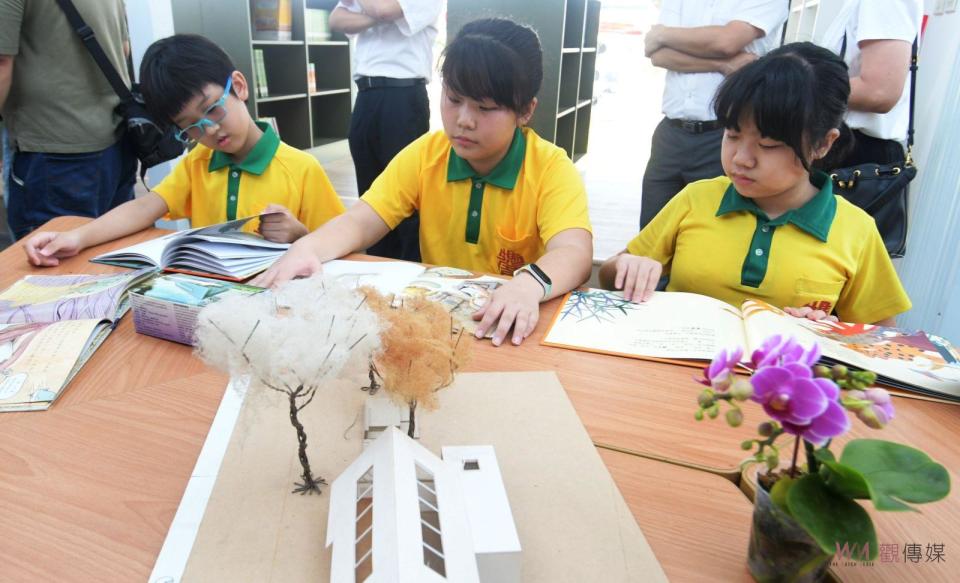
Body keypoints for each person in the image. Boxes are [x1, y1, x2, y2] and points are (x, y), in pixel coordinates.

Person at [254, 19, 594, 347]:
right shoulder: (427, 154)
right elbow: (361, 221)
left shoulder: (550, 168)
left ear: (525, 111)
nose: (464, 121)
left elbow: (575, 253)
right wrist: (308, 248)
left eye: (485, 107)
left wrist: (528, 285)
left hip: (513, 329)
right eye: (453, 99)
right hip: (437, 326)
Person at [599, 42, 911, 326]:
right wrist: (629, 267)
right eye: (732, 135)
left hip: (776, 386)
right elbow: (609, 274)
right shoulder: (697, 199)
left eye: (769, 144)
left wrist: (829, 332)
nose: (741, 159)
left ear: (822, 144)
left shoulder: (856, 230)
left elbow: (878, 337)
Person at [22, 34, 344, 266]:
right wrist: (76, 238)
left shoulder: (301, 168)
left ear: (240, 86)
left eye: (213, 109)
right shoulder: (198, 162)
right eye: (190, 126)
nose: (210, 130)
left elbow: (342, 249)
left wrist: (300, 235)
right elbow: (143, 208)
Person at [640, 0, 788, 229]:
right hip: (670, 133)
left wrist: (664, 34)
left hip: (725, 137)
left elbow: (726, 42)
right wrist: (722, 65)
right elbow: (658, 55)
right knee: (653, 228)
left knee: (714, 229)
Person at [0, 0, 137, 241]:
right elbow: (123, 48)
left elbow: (1, 63)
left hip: (54, 150)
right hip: (116, 138)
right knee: (116, 261)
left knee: (52, 269)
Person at [329, 0, 443, 262]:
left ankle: (411, 271)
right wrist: (380, 17)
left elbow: (383, 9)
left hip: (403, 97)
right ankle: (378, 268)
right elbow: (336, 19)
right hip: (366, 96)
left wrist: (375, 13)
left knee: (408, 201)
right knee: (370, 196)